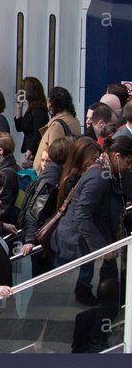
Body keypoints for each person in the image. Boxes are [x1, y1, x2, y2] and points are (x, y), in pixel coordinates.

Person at [53, 136, 132, 305]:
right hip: (81, 242)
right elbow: (82, 214)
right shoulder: (99, 177)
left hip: (91, 241)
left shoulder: (106, 172)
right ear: (117, 157)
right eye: (128, 162)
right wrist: (103, 249)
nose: (129, 168)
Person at [20, 137, 72, 277]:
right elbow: (37, 207)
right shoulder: (51, 178)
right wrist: (30, 238)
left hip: (42, 235)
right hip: (41, 237)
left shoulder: (54, 174)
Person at [34, 86, 81, 171]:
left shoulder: (57, 125)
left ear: (51, 103)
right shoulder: (74, 120)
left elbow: (53, 155)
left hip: (50, 173)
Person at [14, 77, 50, 168]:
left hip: (35, 151)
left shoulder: (39, 109)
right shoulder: (32, 109)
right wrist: (19, 108)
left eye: (23, 91)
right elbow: (19, 127)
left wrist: (28, 154)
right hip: (30, 150)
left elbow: (38, 133)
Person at [0, 132, 21, 224]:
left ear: (0, 151)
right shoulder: (14, 167)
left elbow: (2, 207)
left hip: (4, 225)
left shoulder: (6, 175)